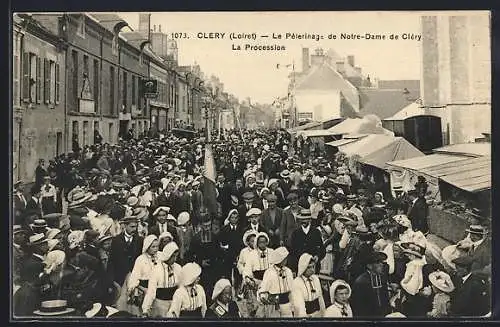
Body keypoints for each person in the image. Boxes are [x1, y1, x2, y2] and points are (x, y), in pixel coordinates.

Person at [142, 242, 182, 317]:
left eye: (176, 256)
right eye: (173, 257)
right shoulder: (156, 269)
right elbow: (151, 291)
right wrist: (145, 309)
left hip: (174, 304)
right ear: (168, 255)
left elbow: (181, 288)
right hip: (160, 305)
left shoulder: (178, 268)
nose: (175, 259)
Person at [350, 251, 391, 318]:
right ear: (369, 266)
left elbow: (385, 300)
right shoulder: (361, 281)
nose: (381, 264)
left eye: (382, 262)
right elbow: (358, 306)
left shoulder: (382, 278)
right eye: (378, 263)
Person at [257, 247, 294, 318]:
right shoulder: (269, 272)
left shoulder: (288, 271)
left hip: (287, 304)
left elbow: (291, 289)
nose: (286, 260)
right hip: (274, 306)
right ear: (280, 259)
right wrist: (265, 299)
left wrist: (293, 305)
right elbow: (263, 290)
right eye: (285, 258)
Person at [289, 208, 326, 274]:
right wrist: (293, 269)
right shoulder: (295, 233)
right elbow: (292, 252)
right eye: (302, 219)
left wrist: (317, 256)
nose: (303, 221)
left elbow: (322, 250)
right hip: (299, 268)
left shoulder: (316, 232)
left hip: (313, 268)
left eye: (305, 219)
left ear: (310, 220)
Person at [291, 253, 325, 317]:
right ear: (303, 267)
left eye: (313, 266)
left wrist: (323, 314)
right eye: (309, 267)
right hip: (305, 316)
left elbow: (320, 298)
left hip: (317, 314)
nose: (312, 270)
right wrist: (305, 318)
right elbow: (299, 305)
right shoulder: (297, 282)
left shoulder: (315, 279)